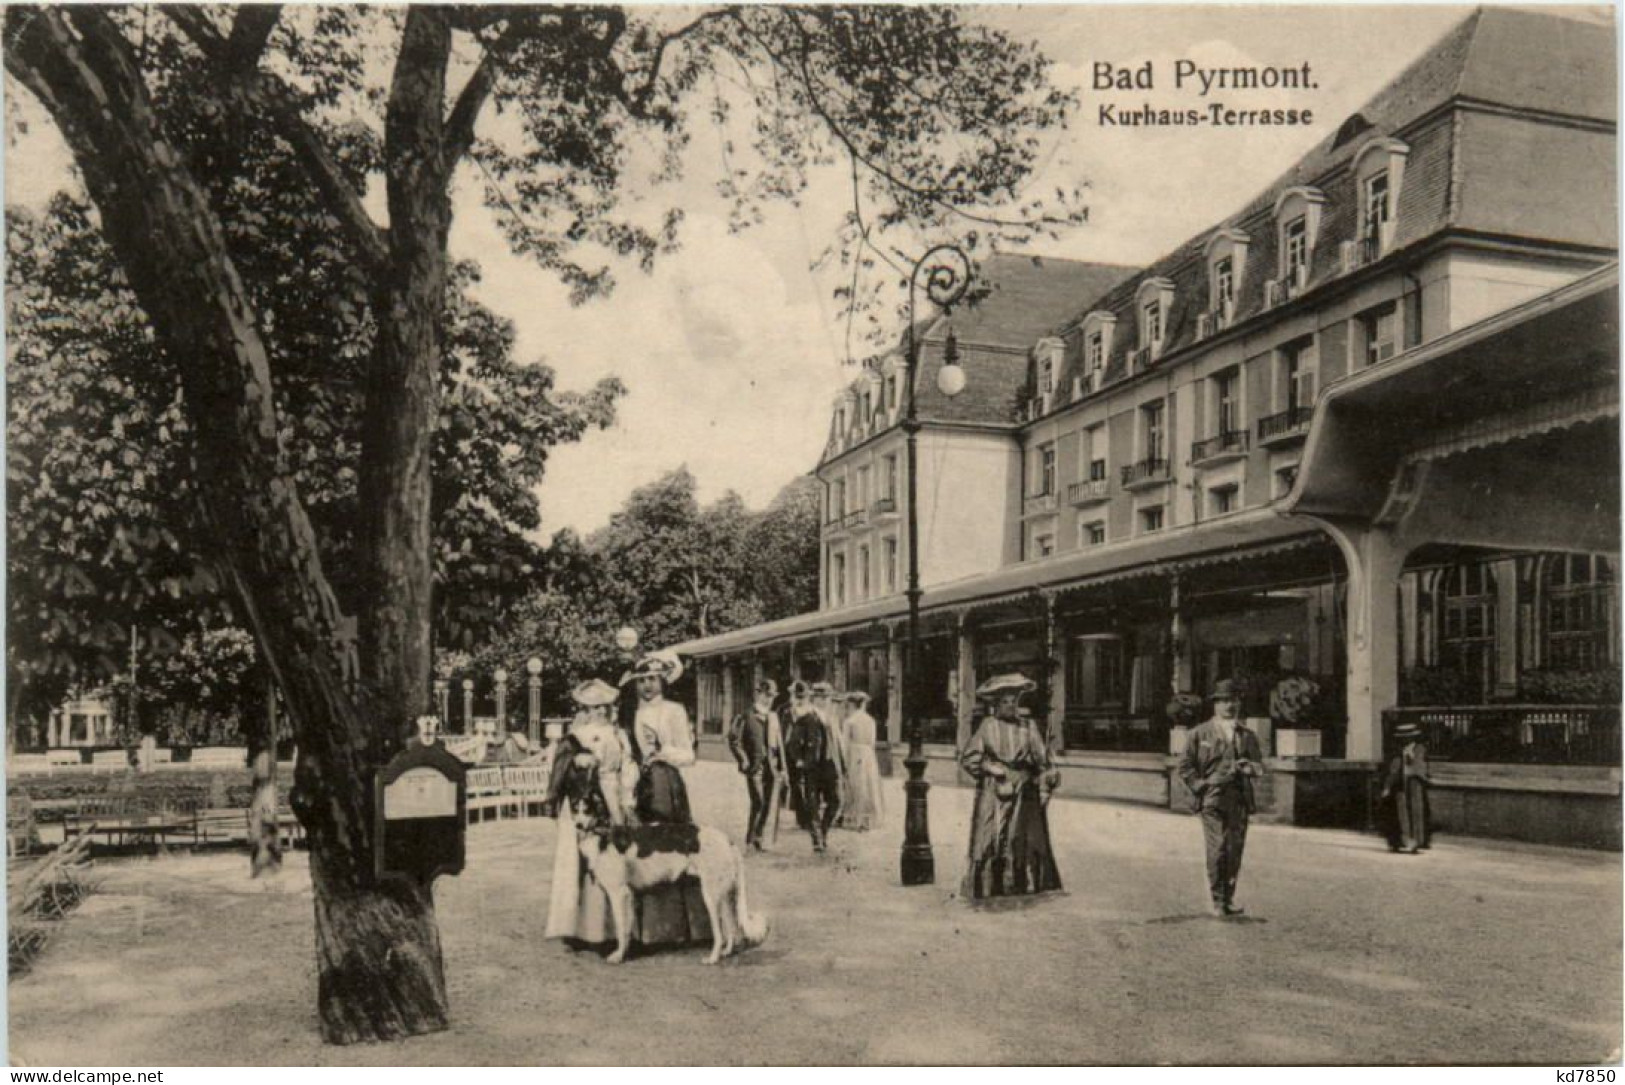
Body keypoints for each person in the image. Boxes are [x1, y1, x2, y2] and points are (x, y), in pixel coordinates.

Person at [623, 650, 710, 946]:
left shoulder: (673, 710)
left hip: (665, 785)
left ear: (663, 681)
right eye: (642, 680)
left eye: (652, 679)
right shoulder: (630, 712)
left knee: (670, 848)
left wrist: (662, 753)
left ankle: (681, 929)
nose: (647, 685)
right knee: (641, 850)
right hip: (639, 784)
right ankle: (646, 931)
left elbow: (688, 755)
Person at [544, 678, 639, 946]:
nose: (602, 711)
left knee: (612, 861)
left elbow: (626, 767)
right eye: (595, 707)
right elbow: (572, 774)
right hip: (591, 803)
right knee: (590, 859)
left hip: (612, 798)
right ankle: (590, 929)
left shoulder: (617, 734)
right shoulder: (583, 738)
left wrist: (627, 796)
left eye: (605, 706)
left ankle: (610, 928)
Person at [958, 674, 1063, 900]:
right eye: (1006, 702)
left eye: (1014, 701)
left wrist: (1045, 780)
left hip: (1023, 789)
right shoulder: (987, 726)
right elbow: (969, 758)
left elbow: (1043, 760)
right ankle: (988, 887)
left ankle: (1021, 885)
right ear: (996, 705)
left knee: (1023, 838)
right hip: (993, 788)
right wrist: (989, 768)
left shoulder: (1028, 726)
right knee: (989, 835)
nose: (1011, 706)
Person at [1178, 678, 1265, 917]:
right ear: (1215, 704)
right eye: (1224, 701)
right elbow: (1184, 767)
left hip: (1239, 800)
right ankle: (1217, 900)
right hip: (1212, 799)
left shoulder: (1247, 735)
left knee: (1234, 849)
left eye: (1234, 700)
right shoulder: (1199, 734)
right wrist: (1201, 786)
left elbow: (1259, 767)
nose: (1230, 705)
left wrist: (1250, 768)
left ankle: (1229, 898)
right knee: (1217, 849)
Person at [728, 678, 785, 850]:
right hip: (755, 766)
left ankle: (758, 837)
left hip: (771, 766)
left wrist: (781, 765)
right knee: (758, 800)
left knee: (768, 803)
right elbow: (734, 740)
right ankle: (751, 838)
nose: (768, 699)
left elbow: (779, 743)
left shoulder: (773, 717)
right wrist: (744, 760)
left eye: (772, 696)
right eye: (766, 695)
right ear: (757, 694)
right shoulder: (745, 715)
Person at [785, 680, 841, 852]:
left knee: (835, 801)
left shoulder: (831, 718)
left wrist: (842, 767)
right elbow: (792, 743)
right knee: (813, 803)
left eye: (826, 698)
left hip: (830, 765)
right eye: (820, 697)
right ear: (814, 699)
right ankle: (817, 838)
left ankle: (823, 832)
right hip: (812, 767)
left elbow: (837, 744)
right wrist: (799, 760)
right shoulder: (807, 717)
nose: (823, 701)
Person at [1379, 722, 1431, 854]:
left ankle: (1416, 841)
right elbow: (1394, 771)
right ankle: (1403, 840)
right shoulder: (1399, 752)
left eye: (1408, 737)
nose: (1406, 740)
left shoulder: (1419, 749)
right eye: (1404, 738)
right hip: (1401, 785)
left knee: (1416, 813)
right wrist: (1388, 786)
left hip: (1414, 785)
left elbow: (1420, 767)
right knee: (1401, 814)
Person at [837, 691, 884, 831]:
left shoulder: (849, 721)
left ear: (852, 705)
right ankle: (866, 819)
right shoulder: (870, 720)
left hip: (854, 753)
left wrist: (844, 760)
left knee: (854, 784)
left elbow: (845, 743)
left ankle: (853, 818)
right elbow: (872, 742)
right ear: (863, 704)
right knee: (868, 785)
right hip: (868, 754)